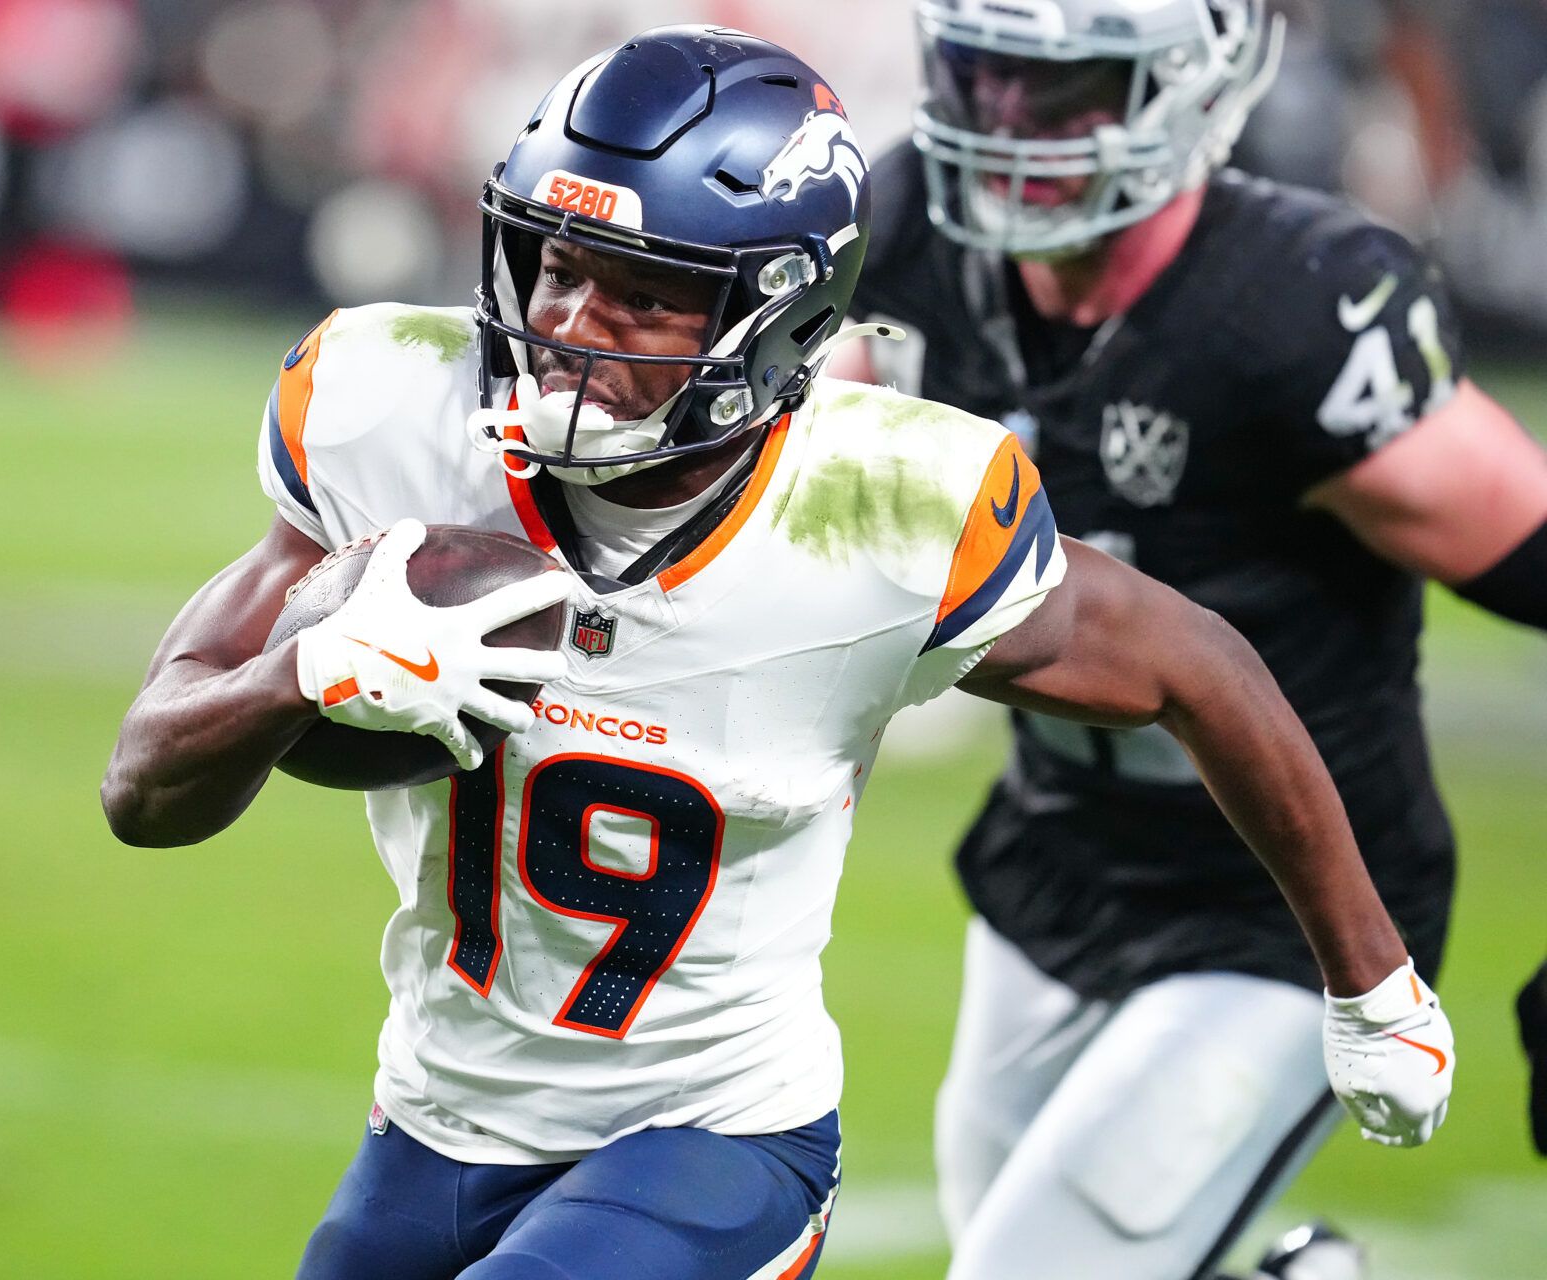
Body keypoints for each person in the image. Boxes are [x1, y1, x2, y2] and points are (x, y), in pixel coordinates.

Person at [102, 24, 1454, 1280]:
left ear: (777, 320)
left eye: (645, 298)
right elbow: (142, 791)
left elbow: (1199, 667)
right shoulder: (389, 420)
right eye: (558, 270)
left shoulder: (883, 514)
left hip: (715, 1135)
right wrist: (307, 675)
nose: (572, 331)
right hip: (436, 1116)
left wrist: (1372, 988)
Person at [836, 1, 1547, 1277]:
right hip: (1052, 867)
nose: (1006, 129)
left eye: (1062, 94)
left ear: (1190, 87)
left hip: (1287, 908)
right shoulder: (912, 240)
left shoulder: (1291, 314)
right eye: (985, 77)